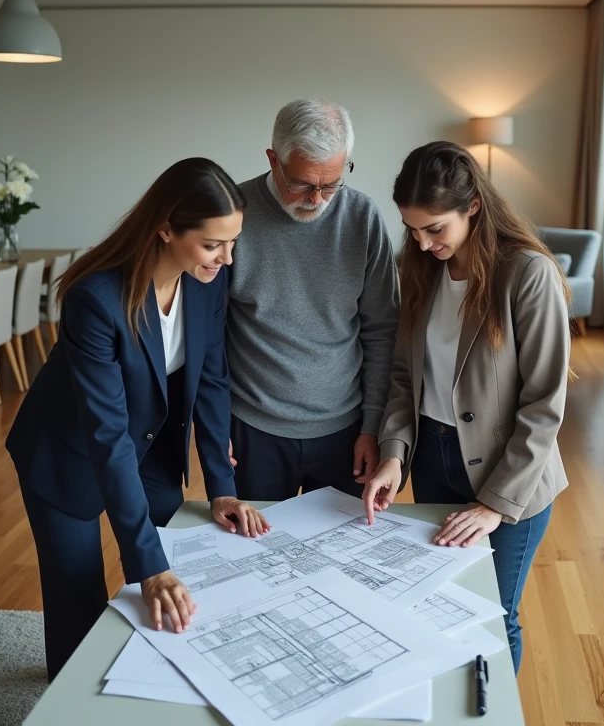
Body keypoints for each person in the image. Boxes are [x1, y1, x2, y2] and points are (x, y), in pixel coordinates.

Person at [6, 157, 270, 680]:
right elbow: (106, 437)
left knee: (181, 557)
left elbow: (212, 380)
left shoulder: (206, 281)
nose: (226, 258)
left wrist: (222, 486)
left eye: (233, 242)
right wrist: (146, 568)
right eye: (213, 244)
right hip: (68, 453)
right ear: (167, 227)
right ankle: (71, 700)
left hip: (150, 443)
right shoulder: (95, 300)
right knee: (78, 597)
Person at [361, 141, 571, 674]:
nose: (423, 242)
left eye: (436, 229)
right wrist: (394, 455)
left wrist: (497, 504)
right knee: (442, 608)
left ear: (473, 205)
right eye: (412, 229)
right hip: (433, 461)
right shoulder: (420, 270)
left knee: (493, 615)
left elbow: (544, 403)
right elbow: (406, 377)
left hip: (511, 476)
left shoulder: (527, 273)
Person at [226, 98, 399, 499]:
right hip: (252, 431)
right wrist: (216, 426)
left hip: (346, 430)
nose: (318, 198)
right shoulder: (233, 216)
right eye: (302, 183)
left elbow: (382, 332)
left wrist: (373, 426)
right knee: (259, 557)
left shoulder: (362, 218)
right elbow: (207, 335)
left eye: (332, 183)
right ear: (274, 160)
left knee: (343, 559)